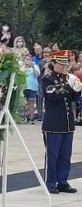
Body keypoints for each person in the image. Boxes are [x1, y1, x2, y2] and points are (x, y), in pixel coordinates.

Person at [41, 50, 81, 194]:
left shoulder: (67, 78)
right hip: (53, 123)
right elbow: (54, 96)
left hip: (67, 123)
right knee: (53, 155)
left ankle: (62, 181)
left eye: (65, 64)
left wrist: (77, 89)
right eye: (60, 64)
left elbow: (74, 99)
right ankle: (51, 182)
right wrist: (68, 86)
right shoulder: (47, 79)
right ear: (53, 63)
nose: (64, 66)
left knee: (65, 155)